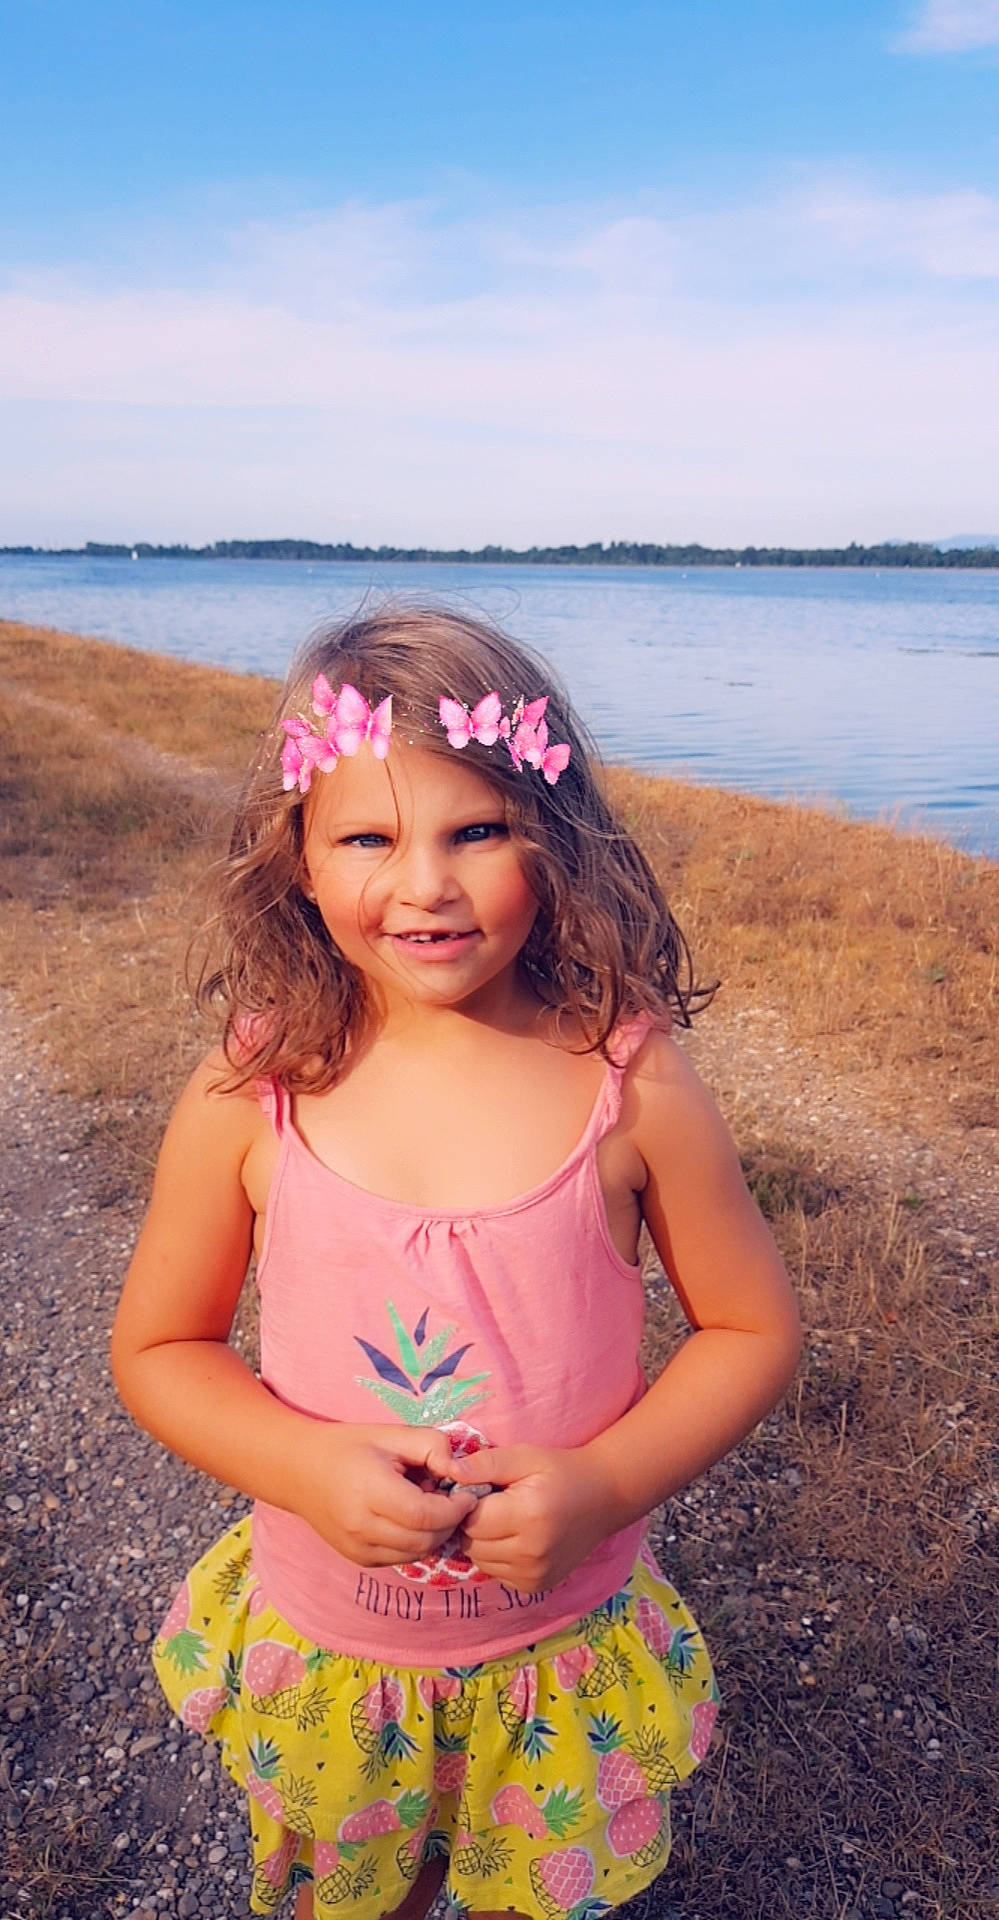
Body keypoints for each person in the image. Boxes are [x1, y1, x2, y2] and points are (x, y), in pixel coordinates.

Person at [112, 604, 801, 1920]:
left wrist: (604, 1481)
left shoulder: (627, 1076)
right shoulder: (252, 1090)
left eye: (475, 831)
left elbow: (751, 1330)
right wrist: (303, 1464)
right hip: (336, 1651)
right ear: (298, 860)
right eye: (369, 836)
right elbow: (160, 1346)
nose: (424, 883)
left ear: (554, 838)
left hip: (557, 1650)